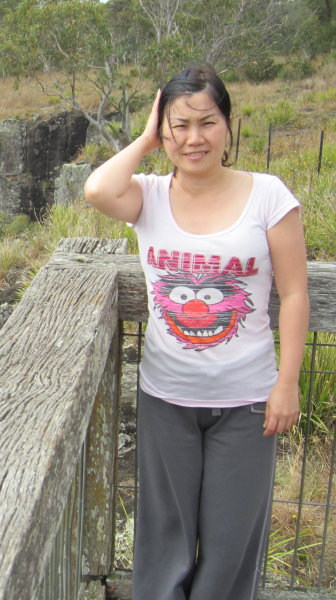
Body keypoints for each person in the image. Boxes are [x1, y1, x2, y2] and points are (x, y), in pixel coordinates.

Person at [84, 65, 309, 600]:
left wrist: (288, 383)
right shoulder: (148, 196)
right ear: (163, 131)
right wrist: (143, 138)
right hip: (167, 397)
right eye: (178, 125)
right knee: (165, 537)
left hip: (250, 402)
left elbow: (296, 293)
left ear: (229, 125)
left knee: (232, 542)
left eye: (207, 123)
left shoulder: (269, 197)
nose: (193, 138)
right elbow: (96, 190)